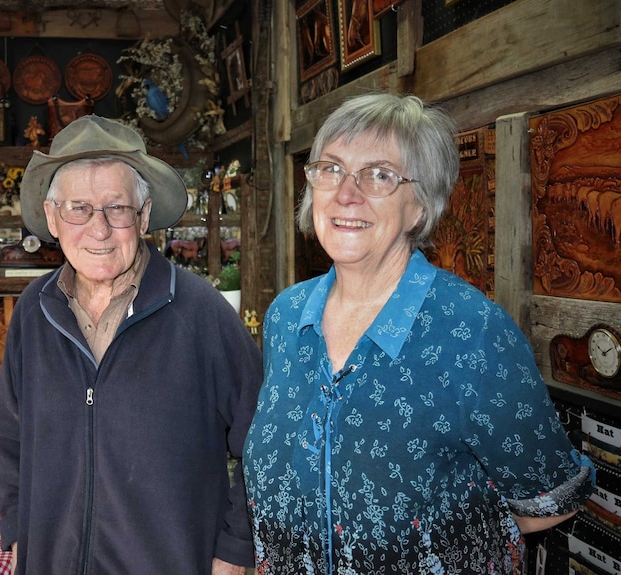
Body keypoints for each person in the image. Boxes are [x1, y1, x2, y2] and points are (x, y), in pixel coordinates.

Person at [242, 93, 594, 574]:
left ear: (419, 207)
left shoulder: (472, 332)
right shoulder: (286, 316)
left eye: (380, 175)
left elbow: (552, 498)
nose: (347, 193)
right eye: (332, 169)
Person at [0, 115, 261, 575]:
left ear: (144, 215)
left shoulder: (201, 311)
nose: (99, 229)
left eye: (117, 208)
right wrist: (18, 529)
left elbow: (264, 440)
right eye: (79, 208)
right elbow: (8, 437)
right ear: (53, 218)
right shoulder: (34, 310)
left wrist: (236, 549)